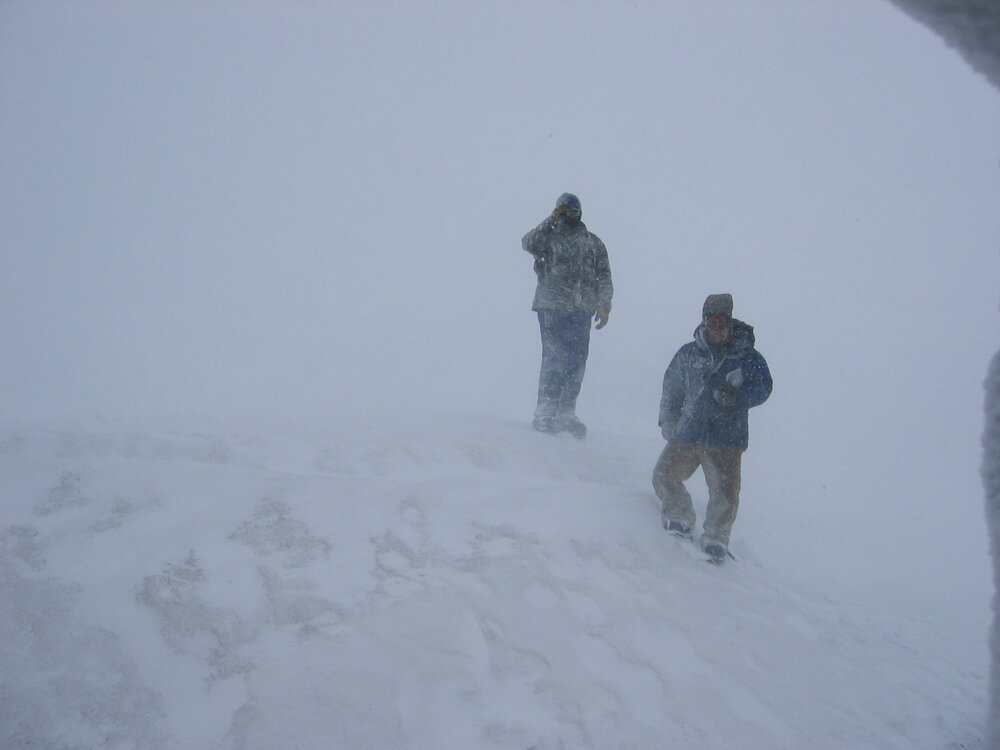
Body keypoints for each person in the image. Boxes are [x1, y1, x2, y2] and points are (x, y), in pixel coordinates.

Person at [653, 294, 772, 562]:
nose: (716, 328)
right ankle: (679, 516)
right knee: (664, 474)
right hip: (689, 432)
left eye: (721, 322)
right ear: (704, 322)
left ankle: (716, 539)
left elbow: (764, 388)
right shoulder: (689, 354)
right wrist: (668, 420)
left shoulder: (747, 357)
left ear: (730, 322)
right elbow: (672, 387)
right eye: (712, 322)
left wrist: (737, 397)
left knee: (725, 493)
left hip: (726, 438)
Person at [522, 193, 613, 438]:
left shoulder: (593, 243)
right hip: (552, 306)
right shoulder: (549, 237)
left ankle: (566, 412)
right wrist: (551, 220)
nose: (569, 214)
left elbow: (604, 275)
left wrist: (604, 305)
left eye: (573, 210)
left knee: (576, 362)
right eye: (564, 210)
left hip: (581, 309)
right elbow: (528, 243)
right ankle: (545, 411)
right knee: (554, 358)